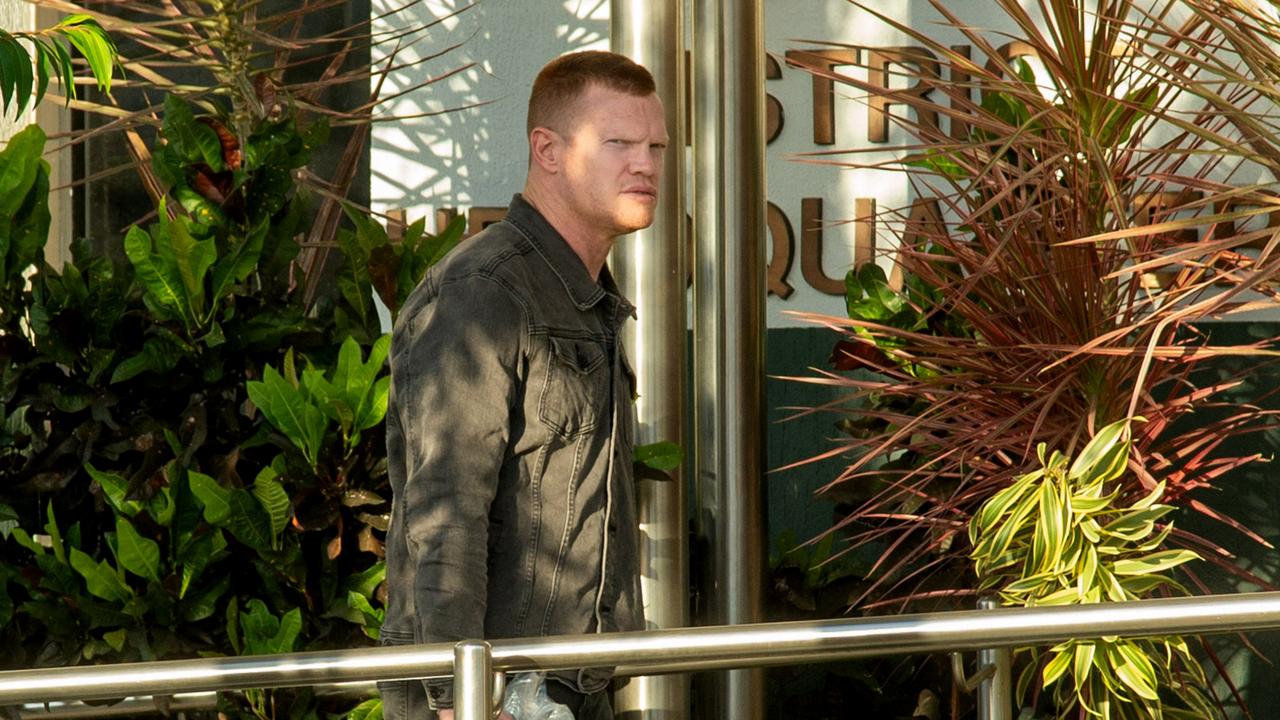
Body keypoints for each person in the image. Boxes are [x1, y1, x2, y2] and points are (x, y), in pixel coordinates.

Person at [379, 50, 668, 720]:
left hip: (564, 689)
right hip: (495, 696)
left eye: (655, 145)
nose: (645, 165)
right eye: (618, 142)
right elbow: (446, 505)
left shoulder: (583, 295)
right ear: (547, 149)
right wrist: (459, 697)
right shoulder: (486, 289)